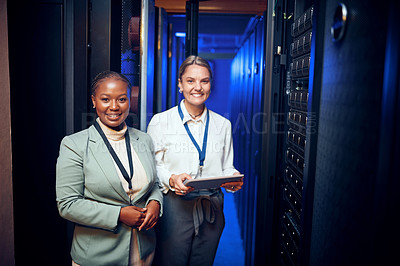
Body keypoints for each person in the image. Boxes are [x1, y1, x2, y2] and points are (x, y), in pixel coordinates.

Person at [56, 71, 163, 266]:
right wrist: (119, 214)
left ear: (129, 101)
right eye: (105, 99)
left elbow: (153, 183)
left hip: (143, 251)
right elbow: (67, 205)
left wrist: (156, 203)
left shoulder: (144, 140)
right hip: (97, 256)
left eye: (122, 99)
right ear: (94, 101)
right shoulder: (74, 144)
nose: (114, 107)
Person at [147, 55, 244, 266]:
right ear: (180, 84)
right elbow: (153, 167)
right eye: (190, 81)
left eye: (204, 81)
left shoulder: (223, 124)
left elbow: (227, 165)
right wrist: (172, 179)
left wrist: (233, 177)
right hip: (175, 207)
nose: (197, 87)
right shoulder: (161, 122)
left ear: (211, 84)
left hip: (212, 206)